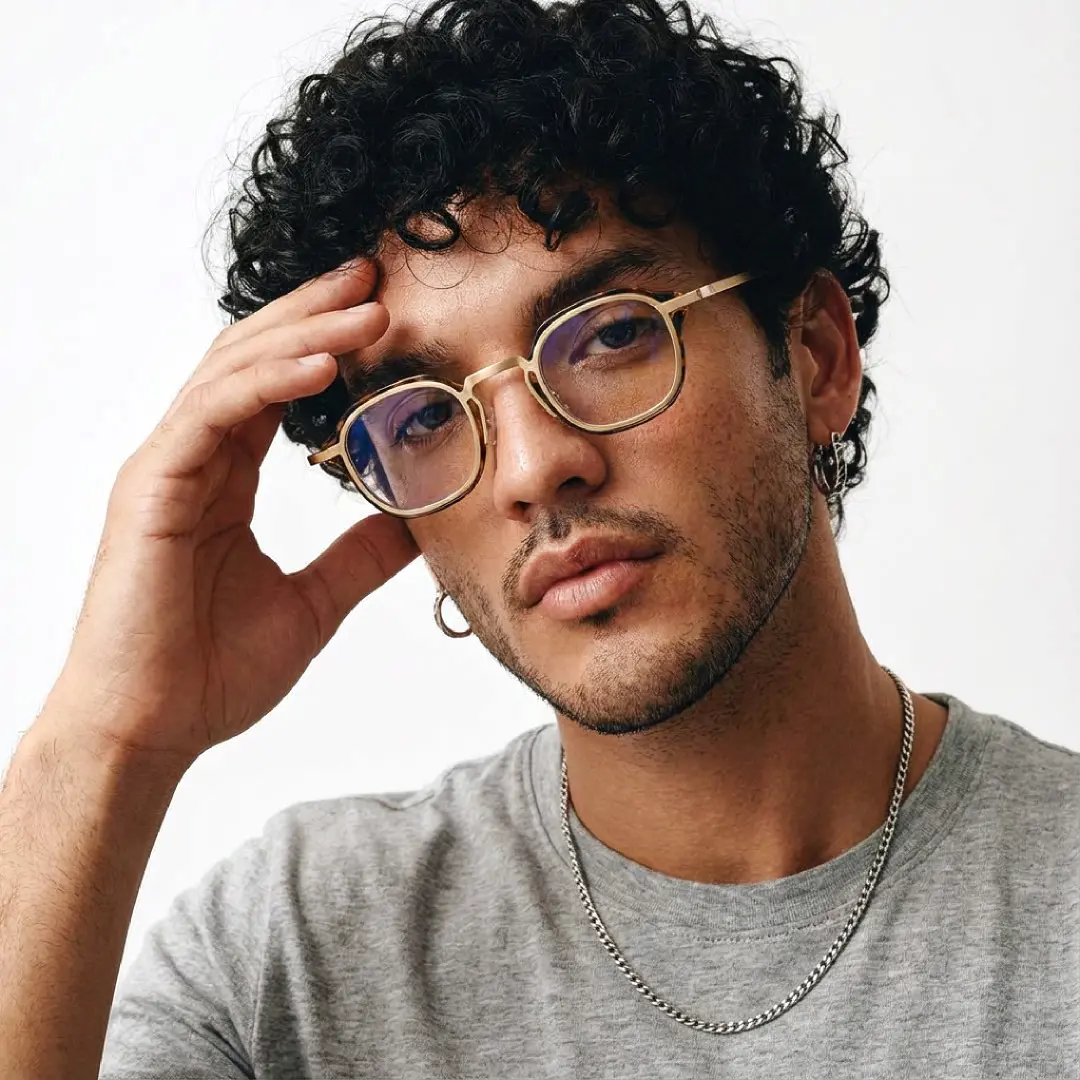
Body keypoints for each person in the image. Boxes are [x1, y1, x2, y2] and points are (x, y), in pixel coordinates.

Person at [1, 0, 1076, 1075]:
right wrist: (102, 747)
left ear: (814, 356)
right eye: (423, 414)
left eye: (610, 336)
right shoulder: (287, 960)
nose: (529, 467)